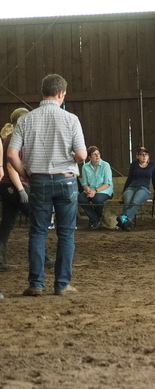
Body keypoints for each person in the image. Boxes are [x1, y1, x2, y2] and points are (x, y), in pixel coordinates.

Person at [8, 73, 87, 296]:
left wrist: (26, 173)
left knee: (38, 232)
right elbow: (81, 155)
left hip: (39, 180)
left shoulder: (25, 119)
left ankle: (36, 284)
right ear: (61, 93)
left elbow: (12, 154)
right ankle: (61, 285)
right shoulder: (71, 119)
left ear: (42, 92)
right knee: (66, 234)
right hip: (66, 180)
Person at [0, 108, 56, 271]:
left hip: (9, 186)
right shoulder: (13, 139)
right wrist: (21, 189)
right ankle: (43, 258)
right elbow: (10, 166)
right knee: (37, 218)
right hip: (13, 185)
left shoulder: (17, 138)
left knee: (7, 224)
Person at [117, 147, 155, 231]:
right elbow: (129, 178)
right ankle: (126, 225)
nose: (144, 157)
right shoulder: (134, 164)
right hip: (131, 187)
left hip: (144, 189)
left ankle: (124, 217)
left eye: (146, 155)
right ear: (137, 156)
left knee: (135, 202)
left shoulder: (152, 164)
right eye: (142, 155)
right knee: (127, 201)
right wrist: (123, 192)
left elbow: (154, 179)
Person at [78, 146, 114, 229]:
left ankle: (97, 217)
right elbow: (84, 183)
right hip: (90, 190)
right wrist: (88, 190)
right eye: (94, 154)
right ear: (90, 157)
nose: (97, 156)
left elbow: (107, 183)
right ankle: (94, 218)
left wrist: (95, 191)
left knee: (97, 199)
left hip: (104, 190)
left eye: (98, 154)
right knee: (81, 198)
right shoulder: (85, 167)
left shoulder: (105, 165)